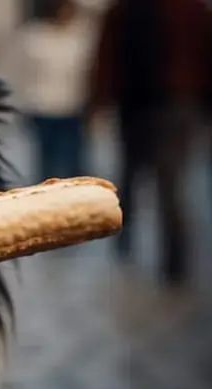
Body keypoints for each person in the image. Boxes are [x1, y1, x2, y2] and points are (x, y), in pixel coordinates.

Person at [88, 0, 212, 284]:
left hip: (160, 105)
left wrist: (97, 100)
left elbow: (106, 57)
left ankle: (142, 247)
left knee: (147, 178)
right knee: (157, 180)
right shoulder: (190, 9)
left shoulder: (129, 9)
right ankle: (161, 256)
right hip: (167, 105)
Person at [13, 0, 101, 182]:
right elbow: (20, 73)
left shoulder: (82, 36)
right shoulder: (34, 37)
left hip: (73, 109)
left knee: (75, 163)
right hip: (43, 109)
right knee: (48, 165)